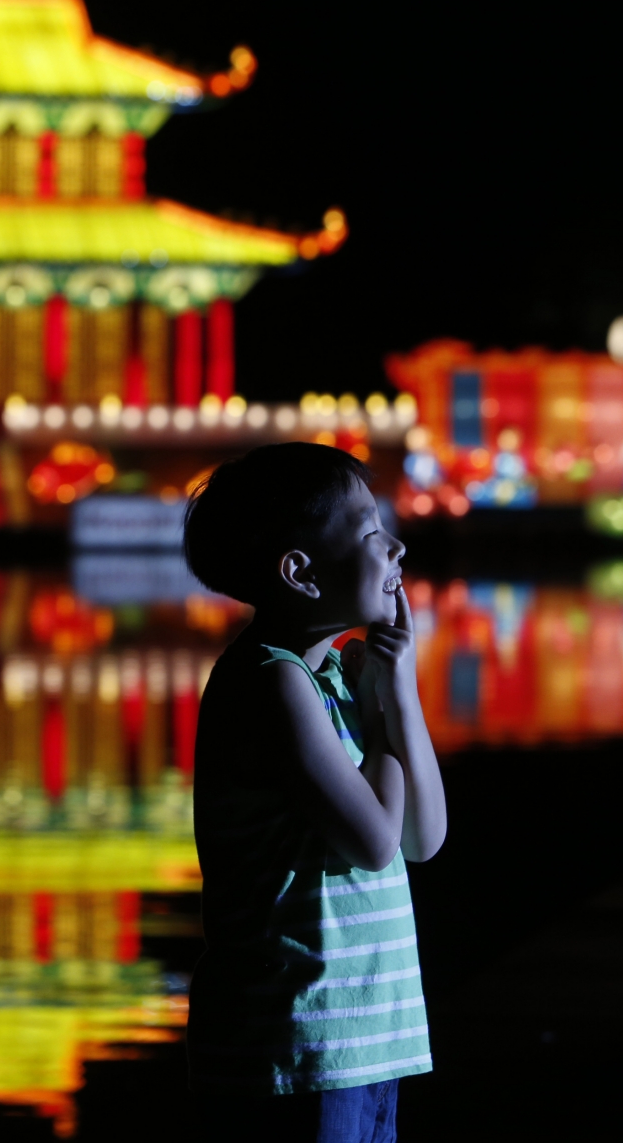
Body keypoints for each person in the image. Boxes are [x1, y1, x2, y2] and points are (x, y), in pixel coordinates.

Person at [182, 442, 447, 1142]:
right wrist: (380, 703)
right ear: (299, 572)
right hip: (293, 1046)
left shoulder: (331, 677)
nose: (396, 548)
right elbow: (375, 839)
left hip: (364, 1037)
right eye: (368, 533)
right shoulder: (269, 682)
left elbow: (424, 837)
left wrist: (396, 693)